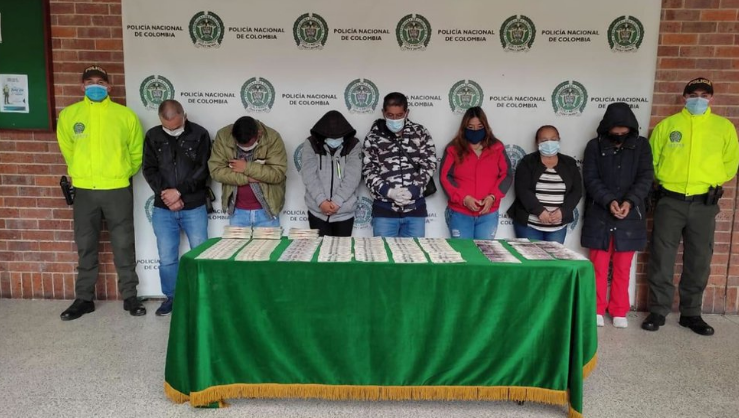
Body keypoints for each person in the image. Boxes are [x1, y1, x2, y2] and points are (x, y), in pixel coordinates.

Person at [643, 78, 739, 336]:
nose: (699, 99)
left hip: (704, 203)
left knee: (699, 258)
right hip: (670, 201)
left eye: (704, 95)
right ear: (684, 97)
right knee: (662, 257)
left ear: (711, 98)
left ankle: (691, 313)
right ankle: (658, 310)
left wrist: (708, 181)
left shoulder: (723, 127)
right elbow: (652, 160)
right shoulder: (668, 126)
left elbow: (730, 164)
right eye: (693, 94)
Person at [56, 65, 146, 320]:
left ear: (109, 86)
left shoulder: (125, 115)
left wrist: (121, 172)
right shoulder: (70, 115)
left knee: (123, 244)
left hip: (116, 189)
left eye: (100, 81)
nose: (95, 86)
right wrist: (82, 173)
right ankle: (84, 299)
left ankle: (130, 296)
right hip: (85, 190)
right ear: (82, 86)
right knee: (85, 245)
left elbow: (136, 152)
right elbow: (68, 150)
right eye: (89, 82)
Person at [581, 102, 653, 329]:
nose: (620, 133)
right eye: (615, 129)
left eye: (624, 129)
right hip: (600, 214)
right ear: (607, 128)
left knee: (623, 267)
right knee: (598, 266)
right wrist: (609, 200)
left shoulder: (642, 146)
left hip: (630, 216)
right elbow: (590, 178)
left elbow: (646, 177)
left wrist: (629, 202)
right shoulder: (594, 146)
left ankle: (619, 310)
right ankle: (596, 308)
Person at [142, 100, 211, 316]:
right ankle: (172, 297)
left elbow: (203, 169)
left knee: (200, 254)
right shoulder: (153, 136)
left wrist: (179, 191)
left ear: (184, 116)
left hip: (194, 205)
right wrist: (168, 195)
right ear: (160, 120)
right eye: (167, 127)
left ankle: (201, 297)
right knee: (167, 257)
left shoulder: (200, 134)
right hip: (164, 208)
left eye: (176, 126)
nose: (172, 131)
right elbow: (149, 169)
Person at [362, 92, 437, 238]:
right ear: (383, 113)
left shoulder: (420, 132)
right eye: (390, 115)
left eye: (399, 115)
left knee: (414, 252)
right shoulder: (373, 137)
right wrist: (389, 192)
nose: (395, 119)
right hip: (384, 211)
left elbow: (429, 164)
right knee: (383, 252)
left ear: (407, 112)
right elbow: (368, 170)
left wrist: (413, 190)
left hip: (415, 210)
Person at [440, 106, 511, 239]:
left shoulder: (497, 147)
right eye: (471, 127)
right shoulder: (453, 148)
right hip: (460, 213)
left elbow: (506, 175)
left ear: (485, 126)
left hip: (488, 213)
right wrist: (464, 198)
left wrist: (492, 197)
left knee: (484, 251)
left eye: (479, 127)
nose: (475, 131)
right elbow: (445, 177)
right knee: (463, 251)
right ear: (464, 128)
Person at [507, 125, 582, 243]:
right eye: (544, 140)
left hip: (557, 227)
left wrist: (563, 211)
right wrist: (539, 211)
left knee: (554, 256)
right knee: (529, 255)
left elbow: (577, 191)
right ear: (537, 142)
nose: (549, 143)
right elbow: (522, 190)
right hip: (529, 225)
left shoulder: (569, 163)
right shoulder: (528, 162)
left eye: (553, 139)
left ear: (559, 140)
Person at [208, 116, 287, 227]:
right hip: (237, 211)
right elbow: (216, 171)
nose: (244, 148)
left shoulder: (272, 138)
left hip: (267, 210)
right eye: (239, 145)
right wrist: (248, 178)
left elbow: (278, 173)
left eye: (249, 145)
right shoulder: (223, 136)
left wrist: (246, 167)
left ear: (259, 134)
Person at [301, 110, 362, 236]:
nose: (334, 140)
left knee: (342, 249)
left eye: (337, 137)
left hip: (344, 213)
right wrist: (321, 201)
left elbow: (353, 177)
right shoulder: (311, 143)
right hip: (317, 212)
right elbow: (309, 174)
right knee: (318, 248)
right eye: (330, 137)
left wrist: (337, 202)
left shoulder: (353, 144)